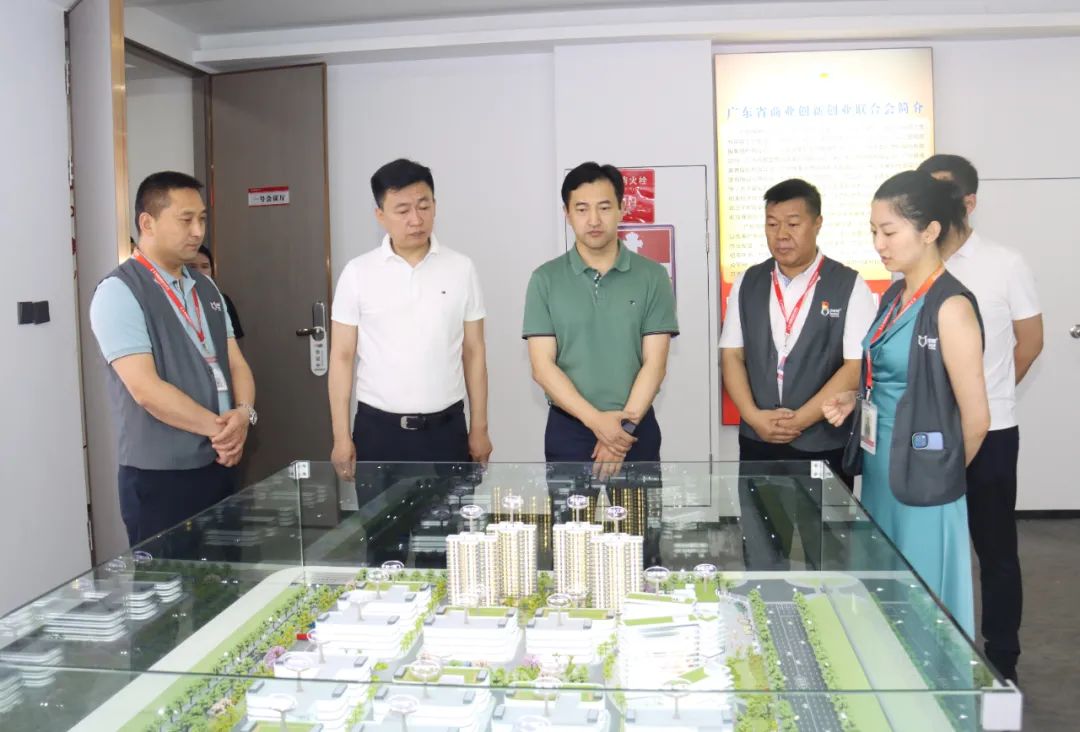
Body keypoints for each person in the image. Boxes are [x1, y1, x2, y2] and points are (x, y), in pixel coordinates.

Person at [824, 170, 990, 636]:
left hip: (923, 488)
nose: (879, 244)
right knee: (885, 604)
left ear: (930, 231)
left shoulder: (950, 308)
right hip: (882, 475)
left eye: (889, 231)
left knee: (921, 612)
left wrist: (937, 476)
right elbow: (894, 377)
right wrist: (855, 398)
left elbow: (977, 418)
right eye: (873, 231)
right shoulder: (896, 295)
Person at [916, 154, 1042, 682]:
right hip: (929, 434)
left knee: (995, 549)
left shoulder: (1004, 263)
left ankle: (1002, 657)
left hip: (991, 432)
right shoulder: (916, 263)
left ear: (969, 202)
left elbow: (1029, 342)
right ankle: (928, 644)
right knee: (928, 545)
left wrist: (984, 399)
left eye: (941, 194)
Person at [90, 171, 256, 547]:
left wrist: (244, 414)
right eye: (186, 219)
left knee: (225, 575)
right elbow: (146, 389)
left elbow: (236, 363)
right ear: (147, 223)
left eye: (202, 219)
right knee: (170, 579)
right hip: (161, 475)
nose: (198, 231)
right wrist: (223, 430)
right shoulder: (119, 291)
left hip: (219, 462)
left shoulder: (205, 286)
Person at [328, 159, 492, 492]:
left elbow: (474, 352)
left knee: (450, 525)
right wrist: (341, 437)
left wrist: (480, 428)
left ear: (435, 205)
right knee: (380, 526)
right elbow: (342, 357)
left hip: (447, 430)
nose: (416, 220)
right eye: (402, 210)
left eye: (424, 206)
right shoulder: (358, 273)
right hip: (378, 432)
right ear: (380, 215)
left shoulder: (461, 268)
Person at [523, 162, 678, 477]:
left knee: (638, 513)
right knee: (571, 513)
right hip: (570, 429)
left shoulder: (653, 276)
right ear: (567, 214)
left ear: (622, 209)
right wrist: (597, 423)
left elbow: (655, 364)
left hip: (634, 428)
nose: (593, 220)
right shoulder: (545, 279)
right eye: (581, 209)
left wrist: (620, 431)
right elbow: (542, 367)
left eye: (604, 207)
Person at [720, 179, 877, 483]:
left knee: (823, 517)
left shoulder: (849, 284)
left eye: (793, 224)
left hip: (823, 442)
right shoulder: (748, 282)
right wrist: (753, 417)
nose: (781, 235)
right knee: (758, 515)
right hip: (758, 438)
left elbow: (854, 367)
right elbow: (732, 356)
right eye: (772, 224)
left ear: (817, 223)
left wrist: (798, 421)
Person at [192, 245, 245, 339]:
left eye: (205, 266)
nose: (199, 272)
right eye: (192, 267)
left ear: (212, 271)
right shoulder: (176, 299)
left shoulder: (222, 300)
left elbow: (236, 338)